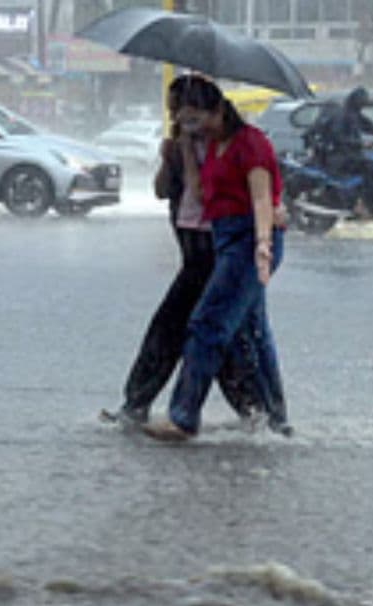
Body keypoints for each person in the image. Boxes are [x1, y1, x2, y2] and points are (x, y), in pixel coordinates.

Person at [102, 75, 265, 428]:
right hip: (192, 251)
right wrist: (169, 156)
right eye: (174, 110)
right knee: (198, 333)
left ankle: (253, 414)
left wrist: (192, 158)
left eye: (184, 109)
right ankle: (255, 414)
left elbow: (208, 194)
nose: (178, 116)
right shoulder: (180, 145)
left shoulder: (228, 145)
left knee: (194, 331)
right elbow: (162, 191)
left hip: (220, 252)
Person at [142, 80, 288, 441]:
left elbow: (260, 199)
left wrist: (264, 246)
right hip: (226, 239)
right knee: (254, 334)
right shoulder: (213, 146)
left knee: (207, 325)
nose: (195, 126)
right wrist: (185, 152)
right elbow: (199, 192)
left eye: (198, 118)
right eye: (186, 120)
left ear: (219, 110)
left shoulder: (250, 143)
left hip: (249, 240)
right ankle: (275, 419)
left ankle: (183, 416)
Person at [307, 86, 373, 215]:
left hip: (348, 154)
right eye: (363, 101)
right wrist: (361, 144)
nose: (364, 104)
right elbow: (339, 138)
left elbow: (372, 127)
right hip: (338, 157)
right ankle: (362, 203)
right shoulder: (342, 116)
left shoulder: (354, 115)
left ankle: (367, 201)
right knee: (371, 168)